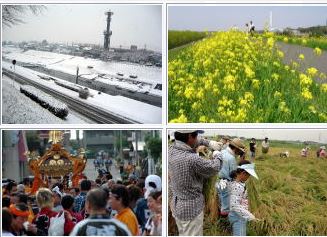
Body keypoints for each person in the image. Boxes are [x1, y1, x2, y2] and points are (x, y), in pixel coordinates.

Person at [169, 130, 223, 236]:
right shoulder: (192, 159)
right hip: (191, 209)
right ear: (190, 136)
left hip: (177, 204)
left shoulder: (170, 150)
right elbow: (214, 167)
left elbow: (193, 142)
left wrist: (208, 143)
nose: (197, 138)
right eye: (196, 136)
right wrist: (218, 155)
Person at [228, 160, 259, 236]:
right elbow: (234, 205)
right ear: (243, 173)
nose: (249, 177)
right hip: (238, 216)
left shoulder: (238, 182)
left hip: (240, 214)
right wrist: (251, 216)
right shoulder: (237, 186)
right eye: (248, 175)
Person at [217, 138, 246, 217]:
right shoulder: (231, 158)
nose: (238, 153)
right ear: (236, 148)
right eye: (239, 150)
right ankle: (224, 223)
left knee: (220, 201)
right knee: (226, 205)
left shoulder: (222, 152)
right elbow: (234, 174)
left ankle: (217, 216)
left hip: (218, 181)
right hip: (227, 183)